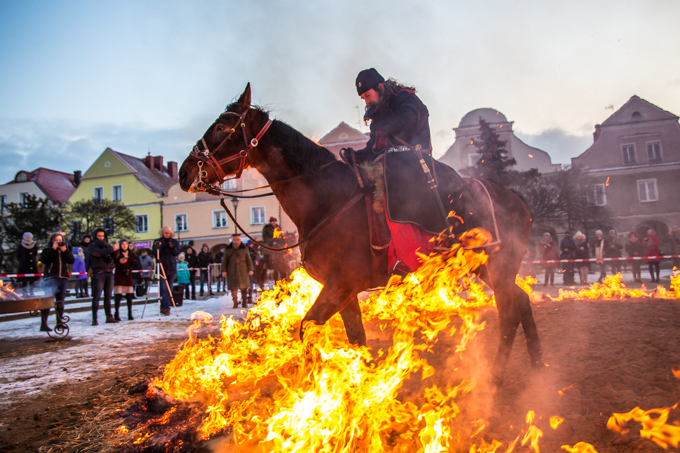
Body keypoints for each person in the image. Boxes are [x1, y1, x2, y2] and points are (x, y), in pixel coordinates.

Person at [341, 68, 477, 276]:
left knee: (393, 182)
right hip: (389, 165)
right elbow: (374, 147)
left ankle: (410, 259)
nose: (366, 102)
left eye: (367, 96)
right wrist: (356, 157)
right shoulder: (379, 112)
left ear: (380, 87)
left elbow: (407, 122)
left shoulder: (407, 100)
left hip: (414, 163)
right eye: (363, 98)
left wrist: (378, 115)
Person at [39, 232, 74, 331]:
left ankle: (59, 322)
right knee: (48, 301)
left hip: (63, 278)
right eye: (56, 240)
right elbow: (44, 260)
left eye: (60, 240)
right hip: (51, 277)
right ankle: (44, 324)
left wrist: (65, 251)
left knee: (60, 301)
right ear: (52, 241)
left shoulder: (64, 251)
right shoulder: (47, 250)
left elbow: (71, 260)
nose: (59, 242)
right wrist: (53, 249)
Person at [88, 228, 119, 325]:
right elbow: (98, 253)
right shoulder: (92, 246)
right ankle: (94, 318)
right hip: (99, 273)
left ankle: (109, 316)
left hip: (109, 272)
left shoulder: (108, 245)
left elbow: (114, 255)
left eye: (103, 236)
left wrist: (116, 250)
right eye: (99, 236)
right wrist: (111, 249)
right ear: (95, 237)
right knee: (97, 296)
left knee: (108, 296)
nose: (101, 238)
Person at [152, 227, 180, 315]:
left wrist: (172, 247)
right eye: (166, 233)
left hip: (171, 267)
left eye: (169, 233)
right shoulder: (158, 241)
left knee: (169, 289)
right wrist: (161, 247)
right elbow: (154, 253)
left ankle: (163, 306)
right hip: (161, 267)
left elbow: (177, 253)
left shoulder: (174, 241)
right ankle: (167, 307)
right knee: (163, 289)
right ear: (162, 233)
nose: (167, 235)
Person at [222, 234, 253, 309]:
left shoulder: (244, 248)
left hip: (243, 269)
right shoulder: (228, 249)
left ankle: (244, 303)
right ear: (232, 240)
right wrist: (223, 270)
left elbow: (249, 259)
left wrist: (250, 269)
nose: (236, 242)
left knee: (244, 287)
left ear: (240, 240)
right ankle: (235, 303)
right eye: (234, 240)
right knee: (233, 287)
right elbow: (224, 260)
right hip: (232, 269)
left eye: (237, 240)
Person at [113, 239, 136, 321]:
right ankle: (116, 313)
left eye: (126, 244)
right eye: (122, 244)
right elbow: (114, 263)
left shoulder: (131, 253)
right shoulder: (117, 253)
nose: (124, 246)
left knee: (129, 296)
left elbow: (133, 263)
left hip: (127, 275)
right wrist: (120, 262)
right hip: (119, 275)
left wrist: (129, 269)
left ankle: (130, 313)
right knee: (118, 296)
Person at [15, 232, 39, 298]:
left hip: (32, 265)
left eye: (29, 237)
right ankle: (24, 292)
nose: (28, 239)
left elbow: (35, 253)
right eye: (27, 238)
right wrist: (22, 260)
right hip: (24, 265)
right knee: (24, 280)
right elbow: (18, 254)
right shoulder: (21, 245)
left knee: (32, 279)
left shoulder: (34, 245)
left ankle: (31, 292)